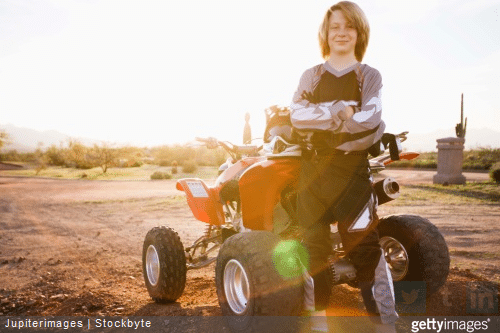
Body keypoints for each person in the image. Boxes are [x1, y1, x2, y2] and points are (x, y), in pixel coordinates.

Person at [290, 1, 398, 331]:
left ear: (359, 33)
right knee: (314, 252)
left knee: (366, 251)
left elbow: (372, 119)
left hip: (351, 175)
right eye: (334, 26)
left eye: (348, 26)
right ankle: (319, 325)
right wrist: (342, 113)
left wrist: (324, 121)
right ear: (325, 33)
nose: (341, 32)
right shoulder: (311, 75)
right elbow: (297, 115)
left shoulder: (370, 76)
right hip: (312, 176)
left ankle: (386, 324)